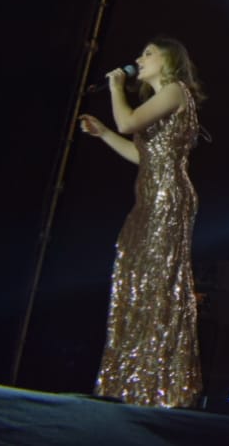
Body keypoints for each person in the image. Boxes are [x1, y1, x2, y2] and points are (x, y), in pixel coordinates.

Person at [78, 38, 205, 408]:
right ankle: (135, 381)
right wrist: (104, 134)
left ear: (170, 61)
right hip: (150, 197)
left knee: (157, 283)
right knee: (135, 279)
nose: (139, 58)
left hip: (167, 199)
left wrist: (116, 87)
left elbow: (128, 121)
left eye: (148, 53)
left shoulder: (175, 91)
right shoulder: (161, 99)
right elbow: (141, 154)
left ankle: (159, 385)